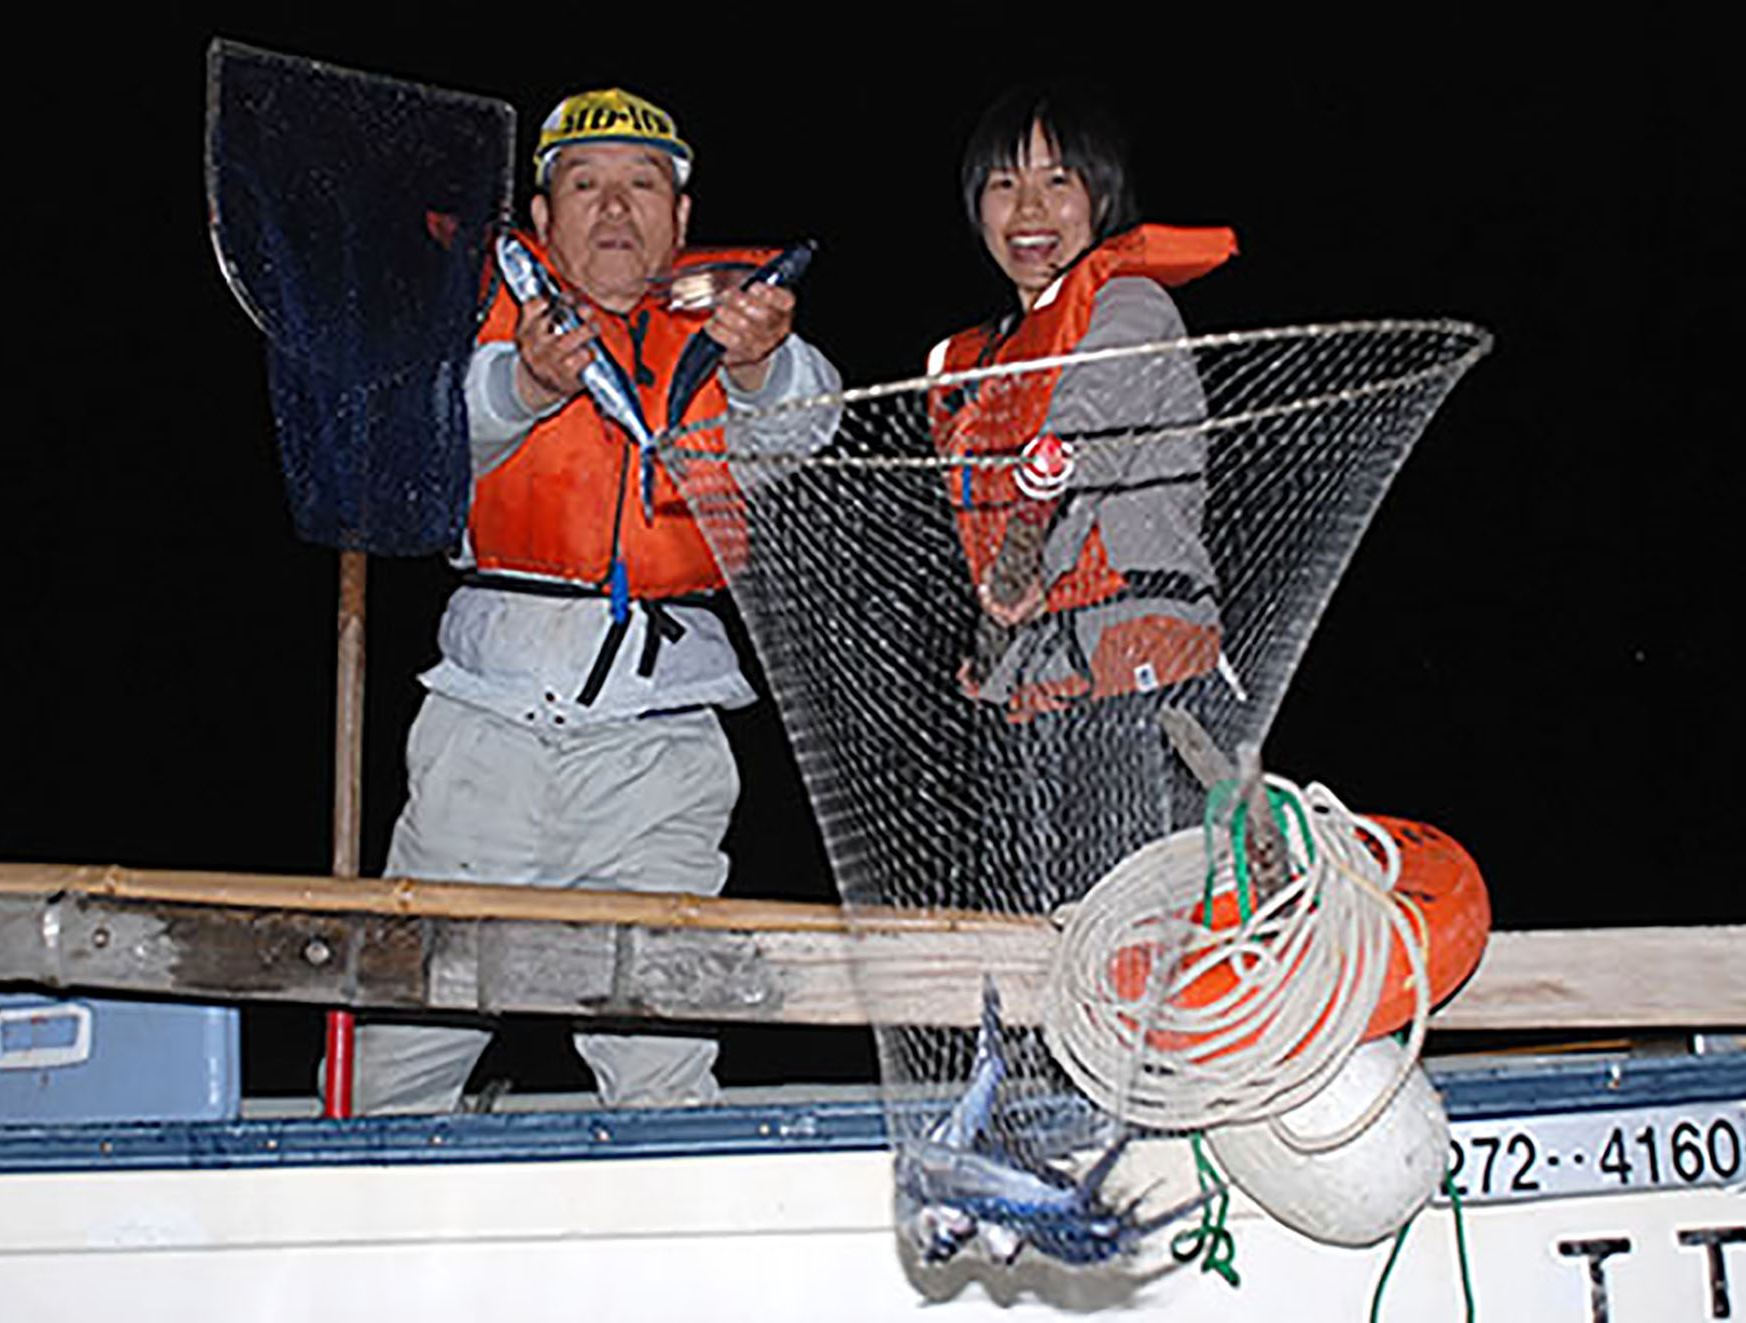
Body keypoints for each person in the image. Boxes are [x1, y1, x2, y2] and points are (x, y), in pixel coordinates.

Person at [355, 88, 841, 1113]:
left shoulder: (732, 322)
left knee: (658, 1056)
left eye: (642, 185)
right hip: (483, 726)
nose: (615, 210)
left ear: (681, 221)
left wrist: (761, 367)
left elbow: (804, 427)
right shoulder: (477, 321)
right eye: (585, 185)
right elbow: (426, 441)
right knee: (398, 1049)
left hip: (657, 746)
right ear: (539, 224)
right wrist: (526, 385)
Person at [927, 84, 1241, 909]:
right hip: (1041, 695)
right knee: (1056, 937)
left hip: (1143, 688)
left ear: (1101, 197)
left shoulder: (1128, 303)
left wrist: (1023, 573)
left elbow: (1080, 438)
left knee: (1146, 933)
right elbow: (981, 529)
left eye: (1056, 181)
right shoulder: (974, 360)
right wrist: (990, 649)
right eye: (1003, 184)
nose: (1028, 208)